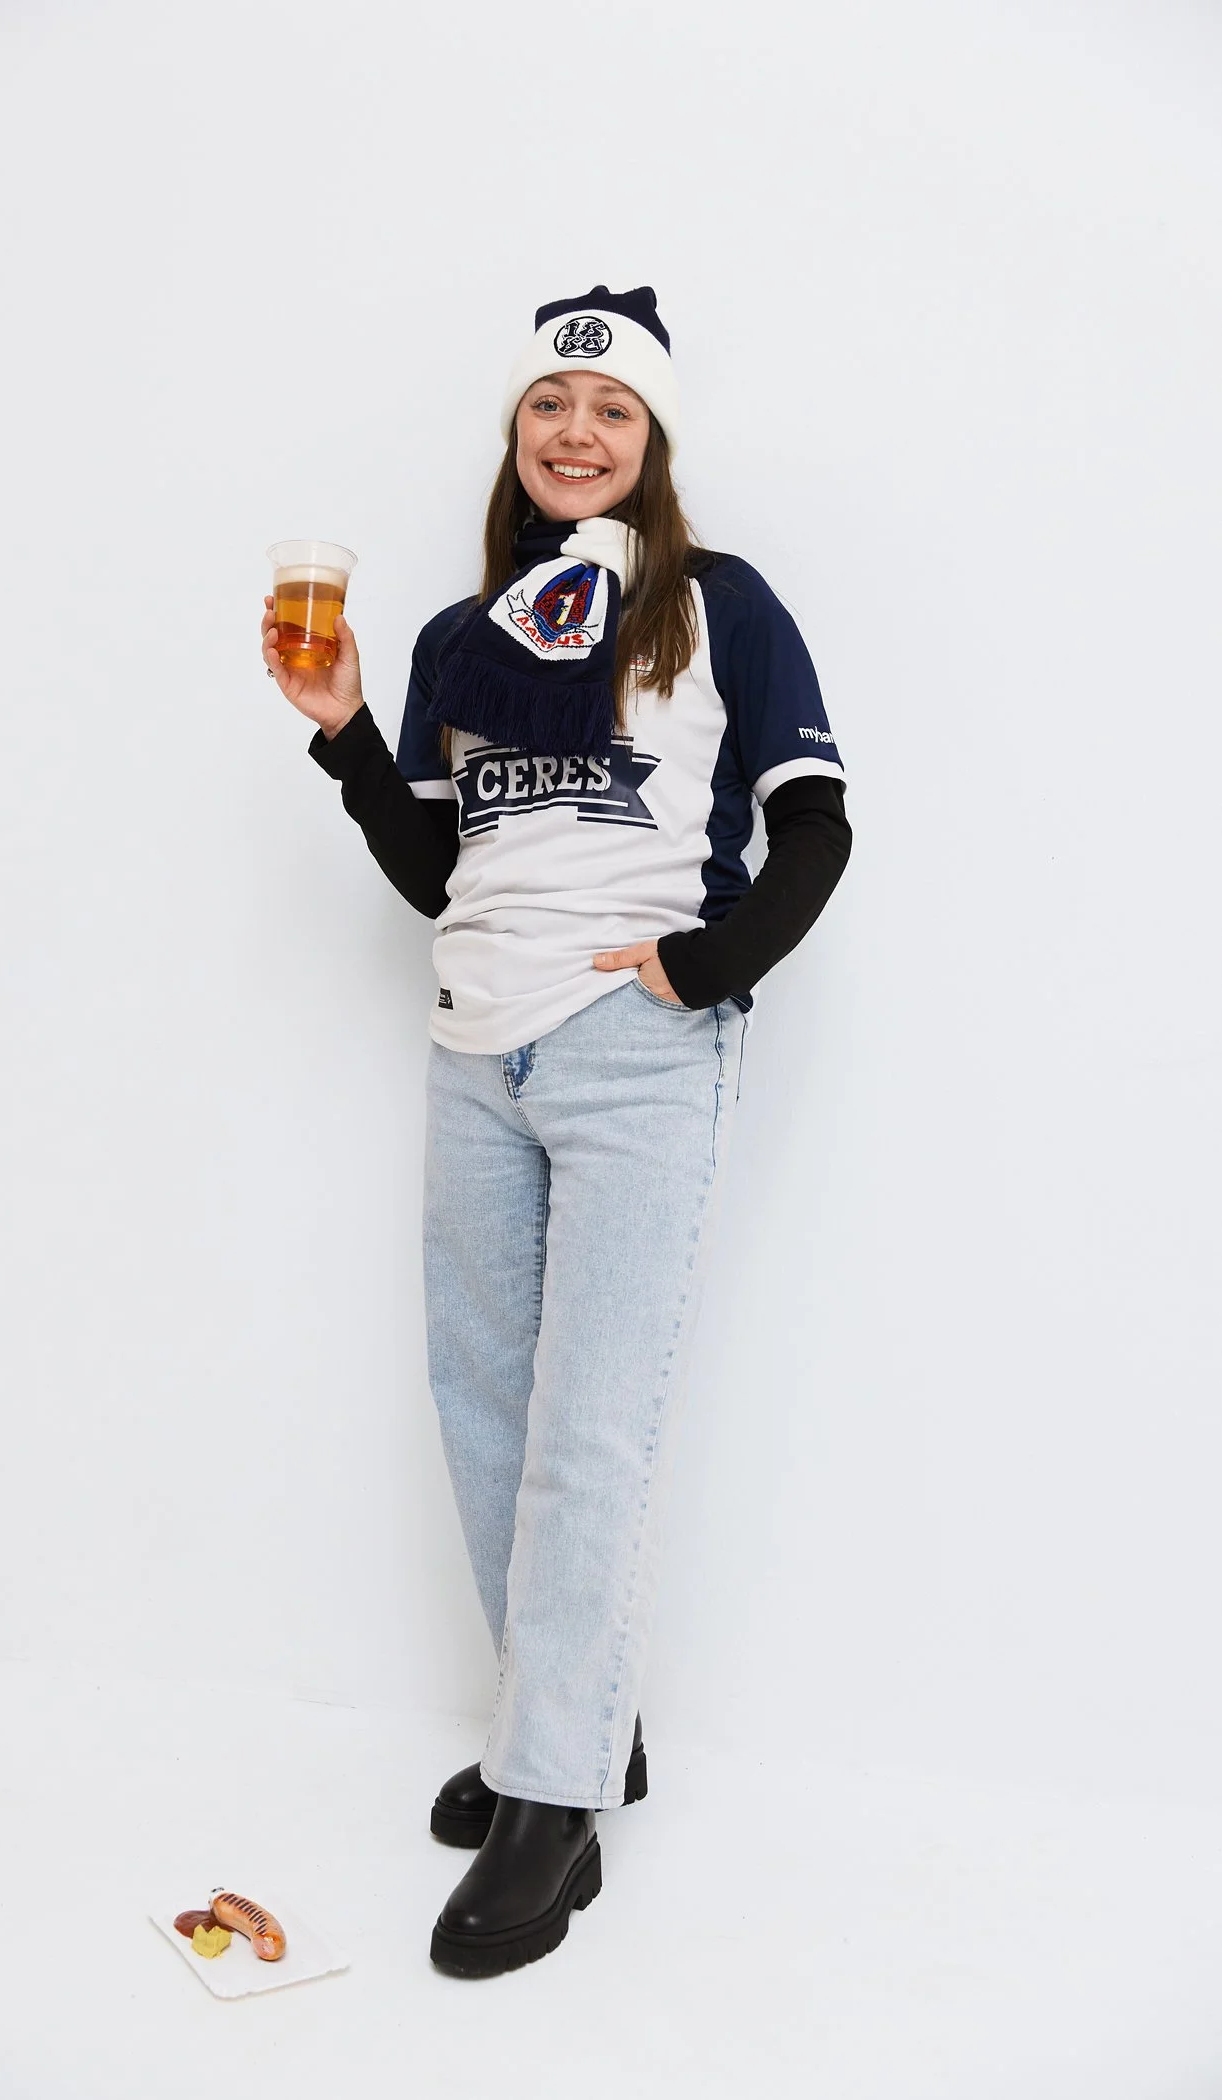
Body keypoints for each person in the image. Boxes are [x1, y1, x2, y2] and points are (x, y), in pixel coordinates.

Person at [260, 285, 852, 1979]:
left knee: (591, 1431)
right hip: (473, 1045)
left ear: (649, 442)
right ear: (517, 433)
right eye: (549, 406)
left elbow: (816, 827)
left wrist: (701, 968)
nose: (576, 432)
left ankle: (551, 1797)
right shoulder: (464, 638)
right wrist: (348, 733)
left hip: (633, 1051)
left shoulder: (718, 605)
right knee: (489, 1411)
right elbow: (440, 872)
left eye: (610, 411)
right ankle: (579, 1725)